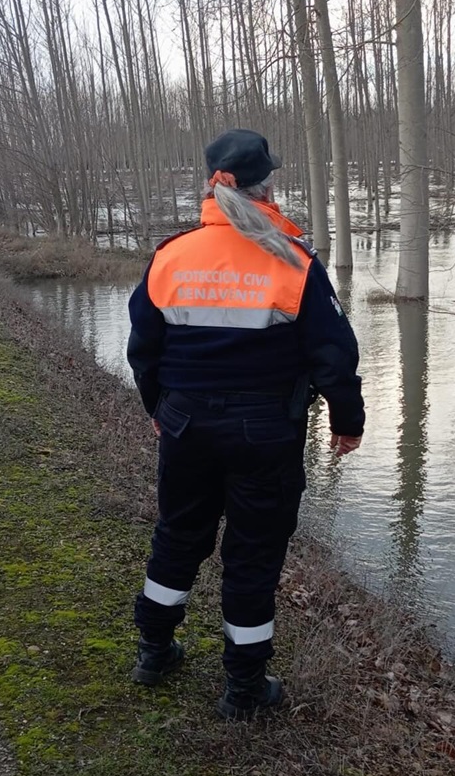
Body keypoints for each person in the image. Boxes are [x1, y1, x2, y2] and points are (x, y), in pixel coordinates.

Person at [126, 128, 364, 720]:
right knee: (253, 558)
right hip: (265, 432)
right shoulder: (292, 260)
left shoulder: (170, 255)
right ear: (267, 188)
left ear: (212, 185)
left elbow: (143, 348)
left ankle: (153, 652)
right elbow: (333, 354)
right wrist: (347, 419)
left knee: (178, 536)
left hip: (185, 427)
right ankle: (243, 688)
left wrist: (159, 409)